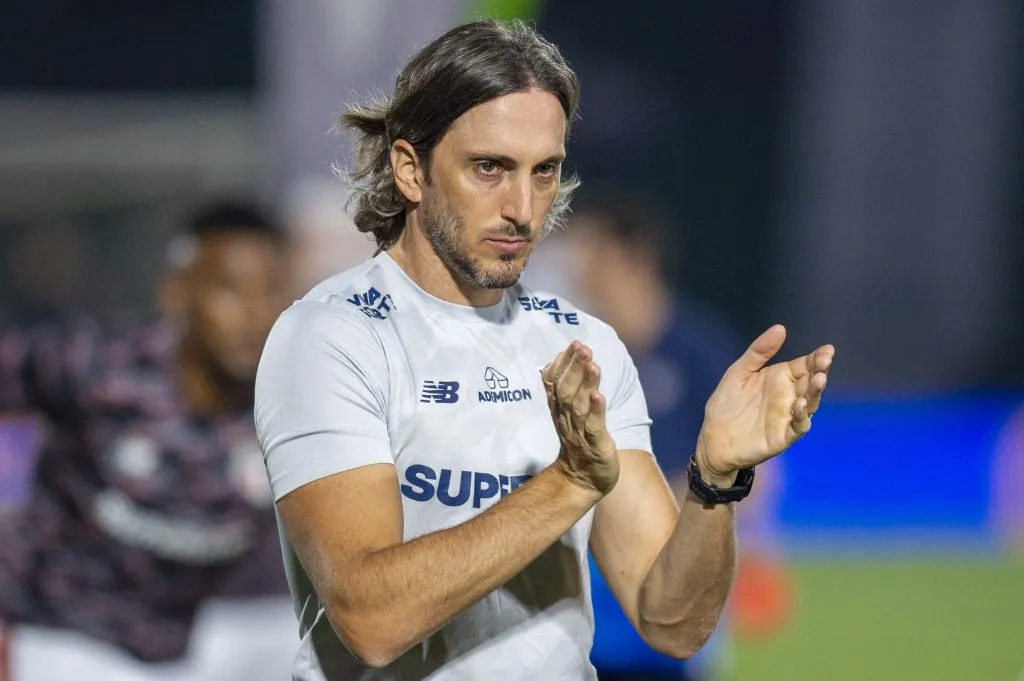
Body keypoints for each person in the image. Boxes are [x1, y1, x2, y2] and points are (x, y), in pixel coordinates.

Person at [256, 19, 835, 681]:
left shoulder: (584, 347)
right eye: (490, 168)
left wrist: (714, 481)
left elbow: (673, 623)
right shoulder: (331, 338)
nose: (523, 209)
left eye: (544, 172)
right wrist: (568, 484)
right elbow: (370, 619)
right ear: (411, 169)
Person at [0, 200, 290, 681]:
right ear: (176, 293)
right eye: (229, 291)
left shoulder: (295, 405)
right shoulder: (97, 369)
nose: (254, 315)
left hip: (187, 645)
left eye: (270, 293)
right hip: (59, 634)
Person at [539, 186, 792, 680]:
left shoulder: (702, 354)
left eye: (591, 253)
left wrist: (655, 503)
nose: (579, 269)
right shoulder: (578, 354)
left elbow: (759, 475)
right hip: (583, 613)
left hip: (669, 586)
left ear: (631, 258)